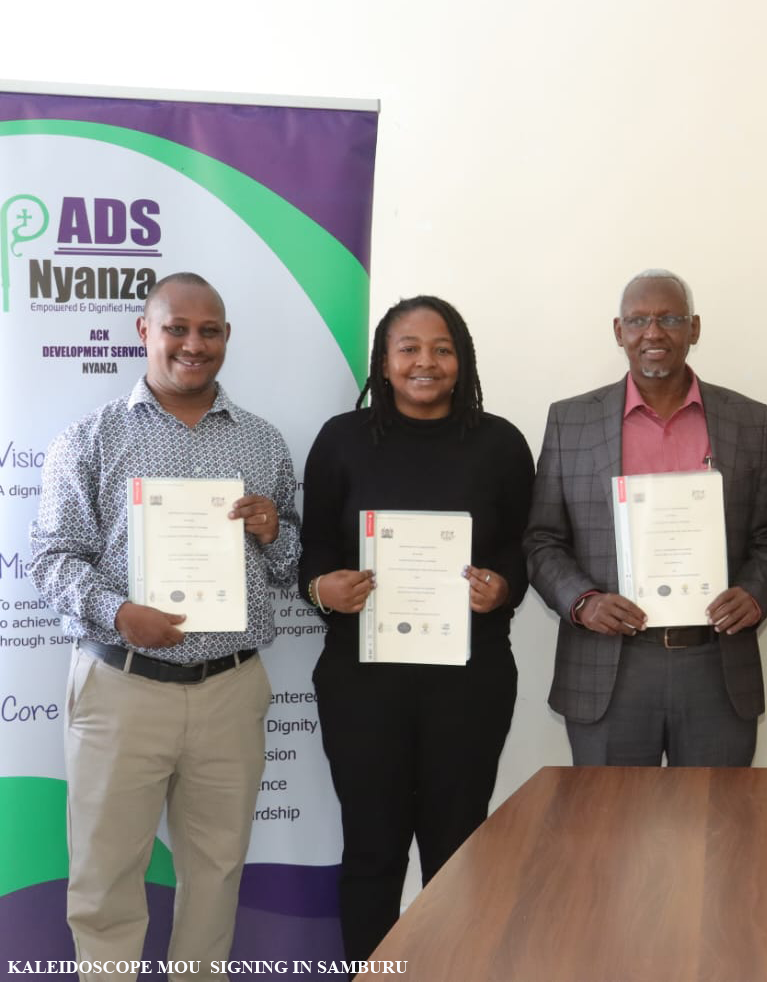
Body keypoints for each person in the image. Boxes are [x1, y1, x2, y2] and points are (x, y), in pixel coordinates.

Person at [29, 273, 301, 982]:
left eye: (209, 331)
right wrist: (120, 613)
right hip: (122, 687)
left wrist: (275, 532)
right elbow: (52, 558)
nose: (193, 344)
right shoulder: (91, 437)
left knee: (216, 872)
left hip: (229, 690)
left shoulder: (263, 443)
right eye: (176, 328)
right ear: (144, 331)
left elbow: (290, 568)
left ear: (227, 337)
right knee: (105, 877)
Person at [298, 296, 534, 963]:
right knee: (372, 849)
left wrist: (503, 586)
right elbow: (314, 549)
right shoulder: (341, 441)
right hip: (362, 682)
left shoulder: (500, 444)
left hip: (470, 682)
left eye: (442, 348)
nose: (425, 362)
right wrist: (323, 589)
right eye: (408, 348)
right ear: (383, 361)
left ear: (462, 361)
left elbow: (521, 547)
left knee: (457, 851)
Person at [524, 270, 767, 766]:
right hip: (609, 666)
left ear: (694, 328)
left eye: (669, 319)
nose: (653, 332)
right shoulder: (570, 421)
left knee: (716, 815)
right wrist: (583, 602)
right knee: (610, 816)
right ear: (618, 331)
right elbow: (542, 540)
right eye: (637, 320)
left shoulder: (748, 420)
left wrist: (754, 593)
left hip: (715, 665)